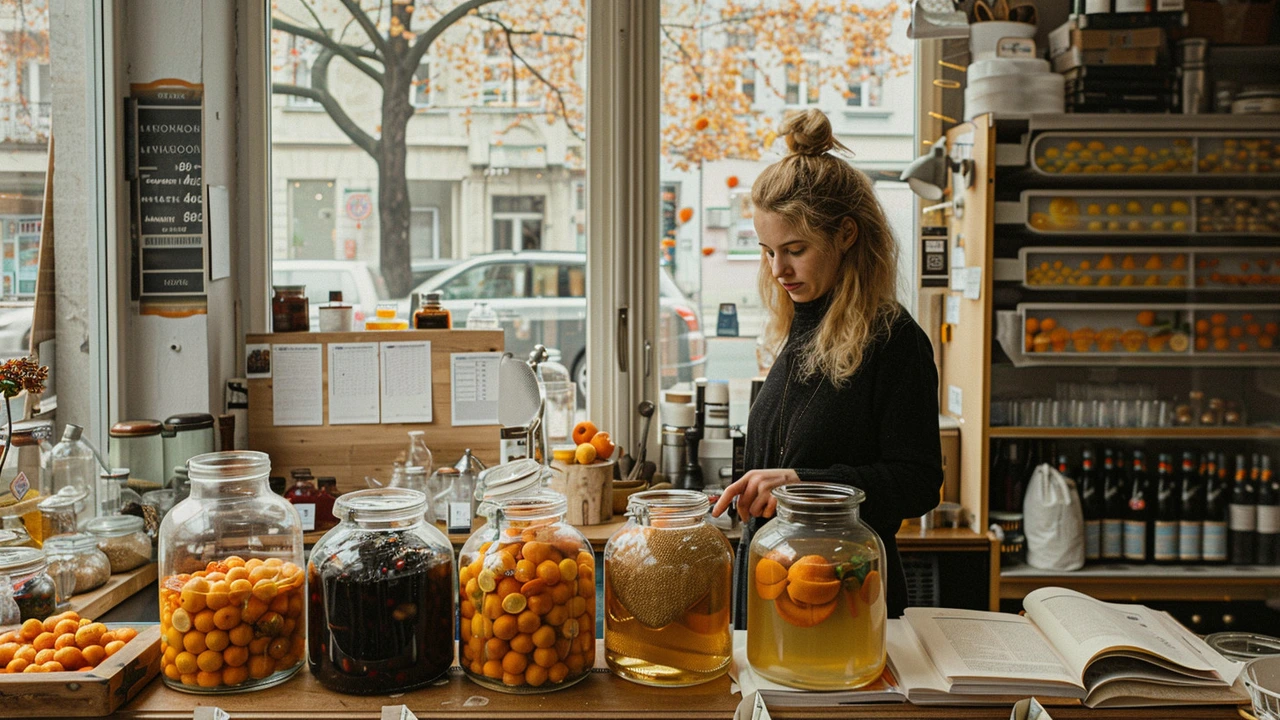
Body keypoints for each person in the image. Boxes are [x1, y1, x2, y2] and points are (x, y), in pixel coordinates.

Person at [712, 109, 943, 621]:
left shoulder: (895, 341)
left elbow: (919, 482)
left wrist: (801, 483)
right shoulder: (802, 325)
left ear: (846, 234)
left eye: (795, 250)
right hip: (779, 590)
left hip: (846, 600)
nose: (778, 271)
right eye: (767, 251)